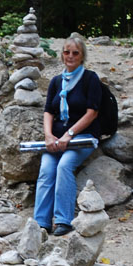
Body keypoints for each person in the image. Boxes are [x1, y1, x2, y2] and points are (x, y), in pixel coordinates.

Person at [33, 33, 102, 236]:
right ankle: (41, 222)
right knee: (46, 169)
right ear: (62, 55)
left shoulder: (90, 79)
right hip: (57, 136)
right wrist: (48, 135)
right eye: (66, 52)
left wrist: (70, 134)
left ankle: (63, 220)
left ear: (82, 56)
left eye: (75, 53)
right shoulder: (56, 82)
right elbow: (48, 111)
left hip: (82, 136)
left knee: (64, 165)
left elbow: (92, 112)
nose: (70, 56)